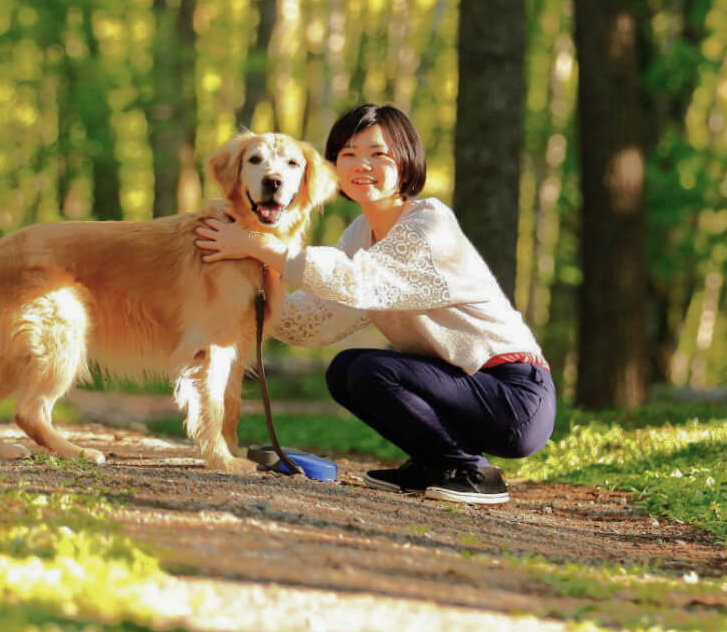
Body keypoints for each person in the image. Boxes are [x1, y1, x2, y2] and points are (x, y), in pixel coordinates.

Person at [196, 103, 555, 504]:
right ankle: (436, 462)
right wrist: (247, 284)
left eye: (377, 153)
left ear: (406, 160)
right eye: (348, 154)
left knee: (370, 370)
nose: (360, 164)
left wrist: (261, 248)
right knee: (347, 370)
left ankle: (468, 470)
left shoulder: (430, 224)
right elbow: (312, 322)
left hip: (516, 396)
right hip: (459, 388)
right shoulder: (360, 233)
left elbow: (360, 281)